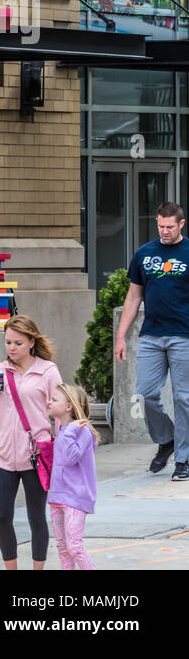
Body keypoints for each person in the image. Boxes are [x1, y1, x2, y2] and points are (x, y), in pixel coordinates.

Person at [0, 315, 62, 570]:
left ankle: (38, 568)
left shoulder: (47, 371)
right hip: (2, 456)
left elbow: (59, 413)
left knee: (36, 516)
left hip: (36, 455)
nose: (12, 348)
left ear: (31, 342)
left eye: (18, 343)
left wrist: (60, 448)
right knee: (2, 516)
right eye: (8, 343)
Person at [114, 201, 189, 481]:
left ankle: (183, 459)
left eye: (170, 226)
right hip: (151, 335)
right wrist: (121, 336)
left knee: (184, 398)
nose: (165, 231)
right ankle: (166, 438)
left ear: (181, 224)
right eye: (160, 226)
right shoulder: (144, 254)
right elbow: (134, 297)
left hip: (184, 335)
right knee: (145, 393)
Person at [46, 384, 99, 570]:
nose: (49, 402)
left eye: (54, 399)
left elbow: (71, 458)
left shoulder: (82, 431)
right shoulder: (63, 429)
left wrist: (69, 434)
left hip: (75, 498)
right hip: (58, 497)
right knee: (62, 547)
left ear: (69, 406)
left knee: (74, 547)